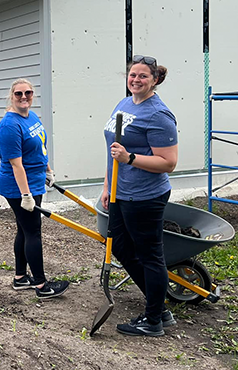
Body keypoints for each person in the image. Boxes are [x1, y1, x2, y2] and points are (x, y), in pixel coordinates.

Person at [101, 55, 178, 336]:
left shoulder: (159, 115)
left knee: (149, 256)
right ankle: (159, 306)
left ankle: (154, 320)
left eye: (143, 76)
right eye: (133, 75)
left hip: (145, 196)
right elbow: (112, 150)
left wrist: (131, 157)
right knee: (120, 246)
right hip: (121, 193)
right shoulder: (124, 103)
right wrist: (108, 185)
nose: (136, 80)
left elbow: (168, 162)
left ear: (155, 80)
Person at [0, 78, 68, 299]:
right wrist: (25, 195)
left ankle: (20, 278)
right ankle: (41, 285)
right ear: (12, 96)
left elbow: (40, 146)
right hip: (18, 186)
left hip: (34, 181)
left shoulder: (31, 116)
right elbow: (16, 164)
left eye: (28, 93)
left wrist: (47, 169)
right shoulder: (9, 126)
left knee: (24, 230)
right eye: (19, 94)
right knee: (33, 231)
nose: (24, 97)